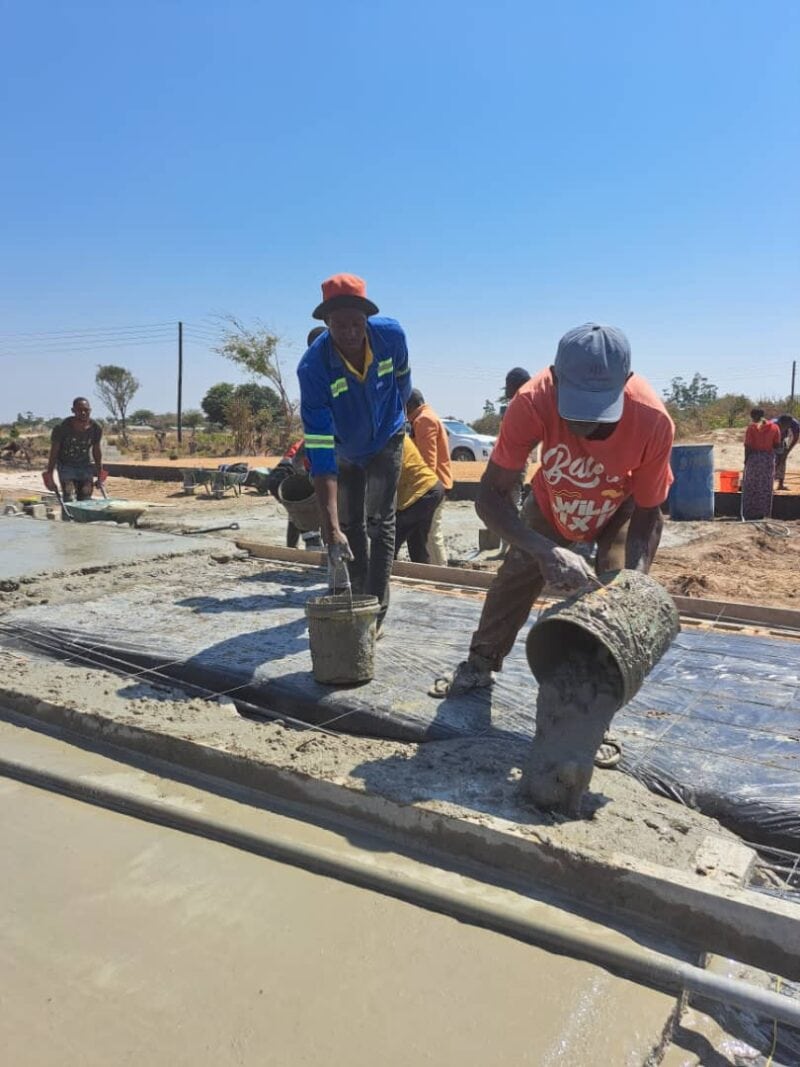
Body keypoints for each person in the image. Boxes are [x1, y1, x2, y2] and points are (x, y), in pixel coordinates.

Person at [433, 323, 674, 700]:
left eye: (600, 411)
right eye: (577, 409)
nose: (587, 425)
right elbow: (489, 498)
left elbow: (647, 513)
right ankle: (480, 662)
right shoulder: (530, 402)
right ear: (555, 377)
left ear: (626, 382)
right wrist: (542, 549)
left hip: (617, 508)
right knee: (515, 575)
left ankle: (600, 697)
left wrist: (635, 584)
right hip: (553, 502)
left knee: (615, 591)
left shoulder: (653, 421)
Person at [298, 274, 412, 626]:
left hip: (386, 438)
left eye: (356, 323)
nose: (349, 332)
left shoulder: (391, 335)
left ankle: (375, 611)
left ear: (367, 320)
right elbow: (319, 451)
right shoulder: (313, 368)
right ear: (325, 323)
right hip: (343, 448)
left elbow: (403, 384)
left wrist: (391, 421)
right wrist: (329, 526)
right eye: (340, 324)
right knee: (348, 526)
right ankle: (357, 596)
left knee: (380, 522)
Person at [406, 388, 452, 565]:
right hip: (435, 484)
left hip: (432, 485)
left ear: (410, 405)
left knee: (432, 532)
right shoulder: (427, 416)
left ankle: (441, 574)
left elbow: (428, 461)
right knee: (428, 532)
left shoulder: (423, 419)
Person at [395, 435, 445, 564]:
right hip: (430, 489)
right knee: (417, 541)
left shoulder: (390, 439)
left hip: (422, 493)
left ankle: (383, 576)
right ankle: (425, 574)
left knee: (391, 536)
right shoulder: (396, 435)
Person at [44, 397, 103, 501]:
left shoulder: (96, 428)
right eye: (80, 410)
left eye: (86, 410)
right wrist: (50, 474)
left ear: (90, 410)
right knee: (69, 496)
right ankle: (68, 517)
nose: (83, 413)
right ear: (73, 411)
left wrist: (100, 473)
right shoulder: (62, 428)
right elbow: (54, 452)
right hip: (66, 466)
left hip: (85, 466)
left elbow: (96, 451)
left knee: (86, 496)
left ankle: (83, 517)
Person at [742, 408, 780, 519]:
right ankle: (763, 512)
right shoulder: (774, 427)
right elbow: (776, 445)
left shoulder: (751, 428)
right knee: (765, 485)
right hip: (768, 459)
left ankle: (750, 512)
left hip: (754, 459)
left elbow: (748, 446)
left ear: (753, 416)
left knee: (751, 485)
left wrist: (746, 460)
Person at [773, 413, 800, 491]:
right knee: (773, 462)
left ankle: (780, 485)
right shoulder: (773, 424)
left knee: (782, 460)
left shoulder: (795, 424)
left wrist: (787, 451)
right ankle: (769, 483)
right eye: (782, 425)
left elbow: (796, 437)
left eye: (786, 426)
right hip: (771, 441)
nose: (784, 427)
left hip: (782, 440)